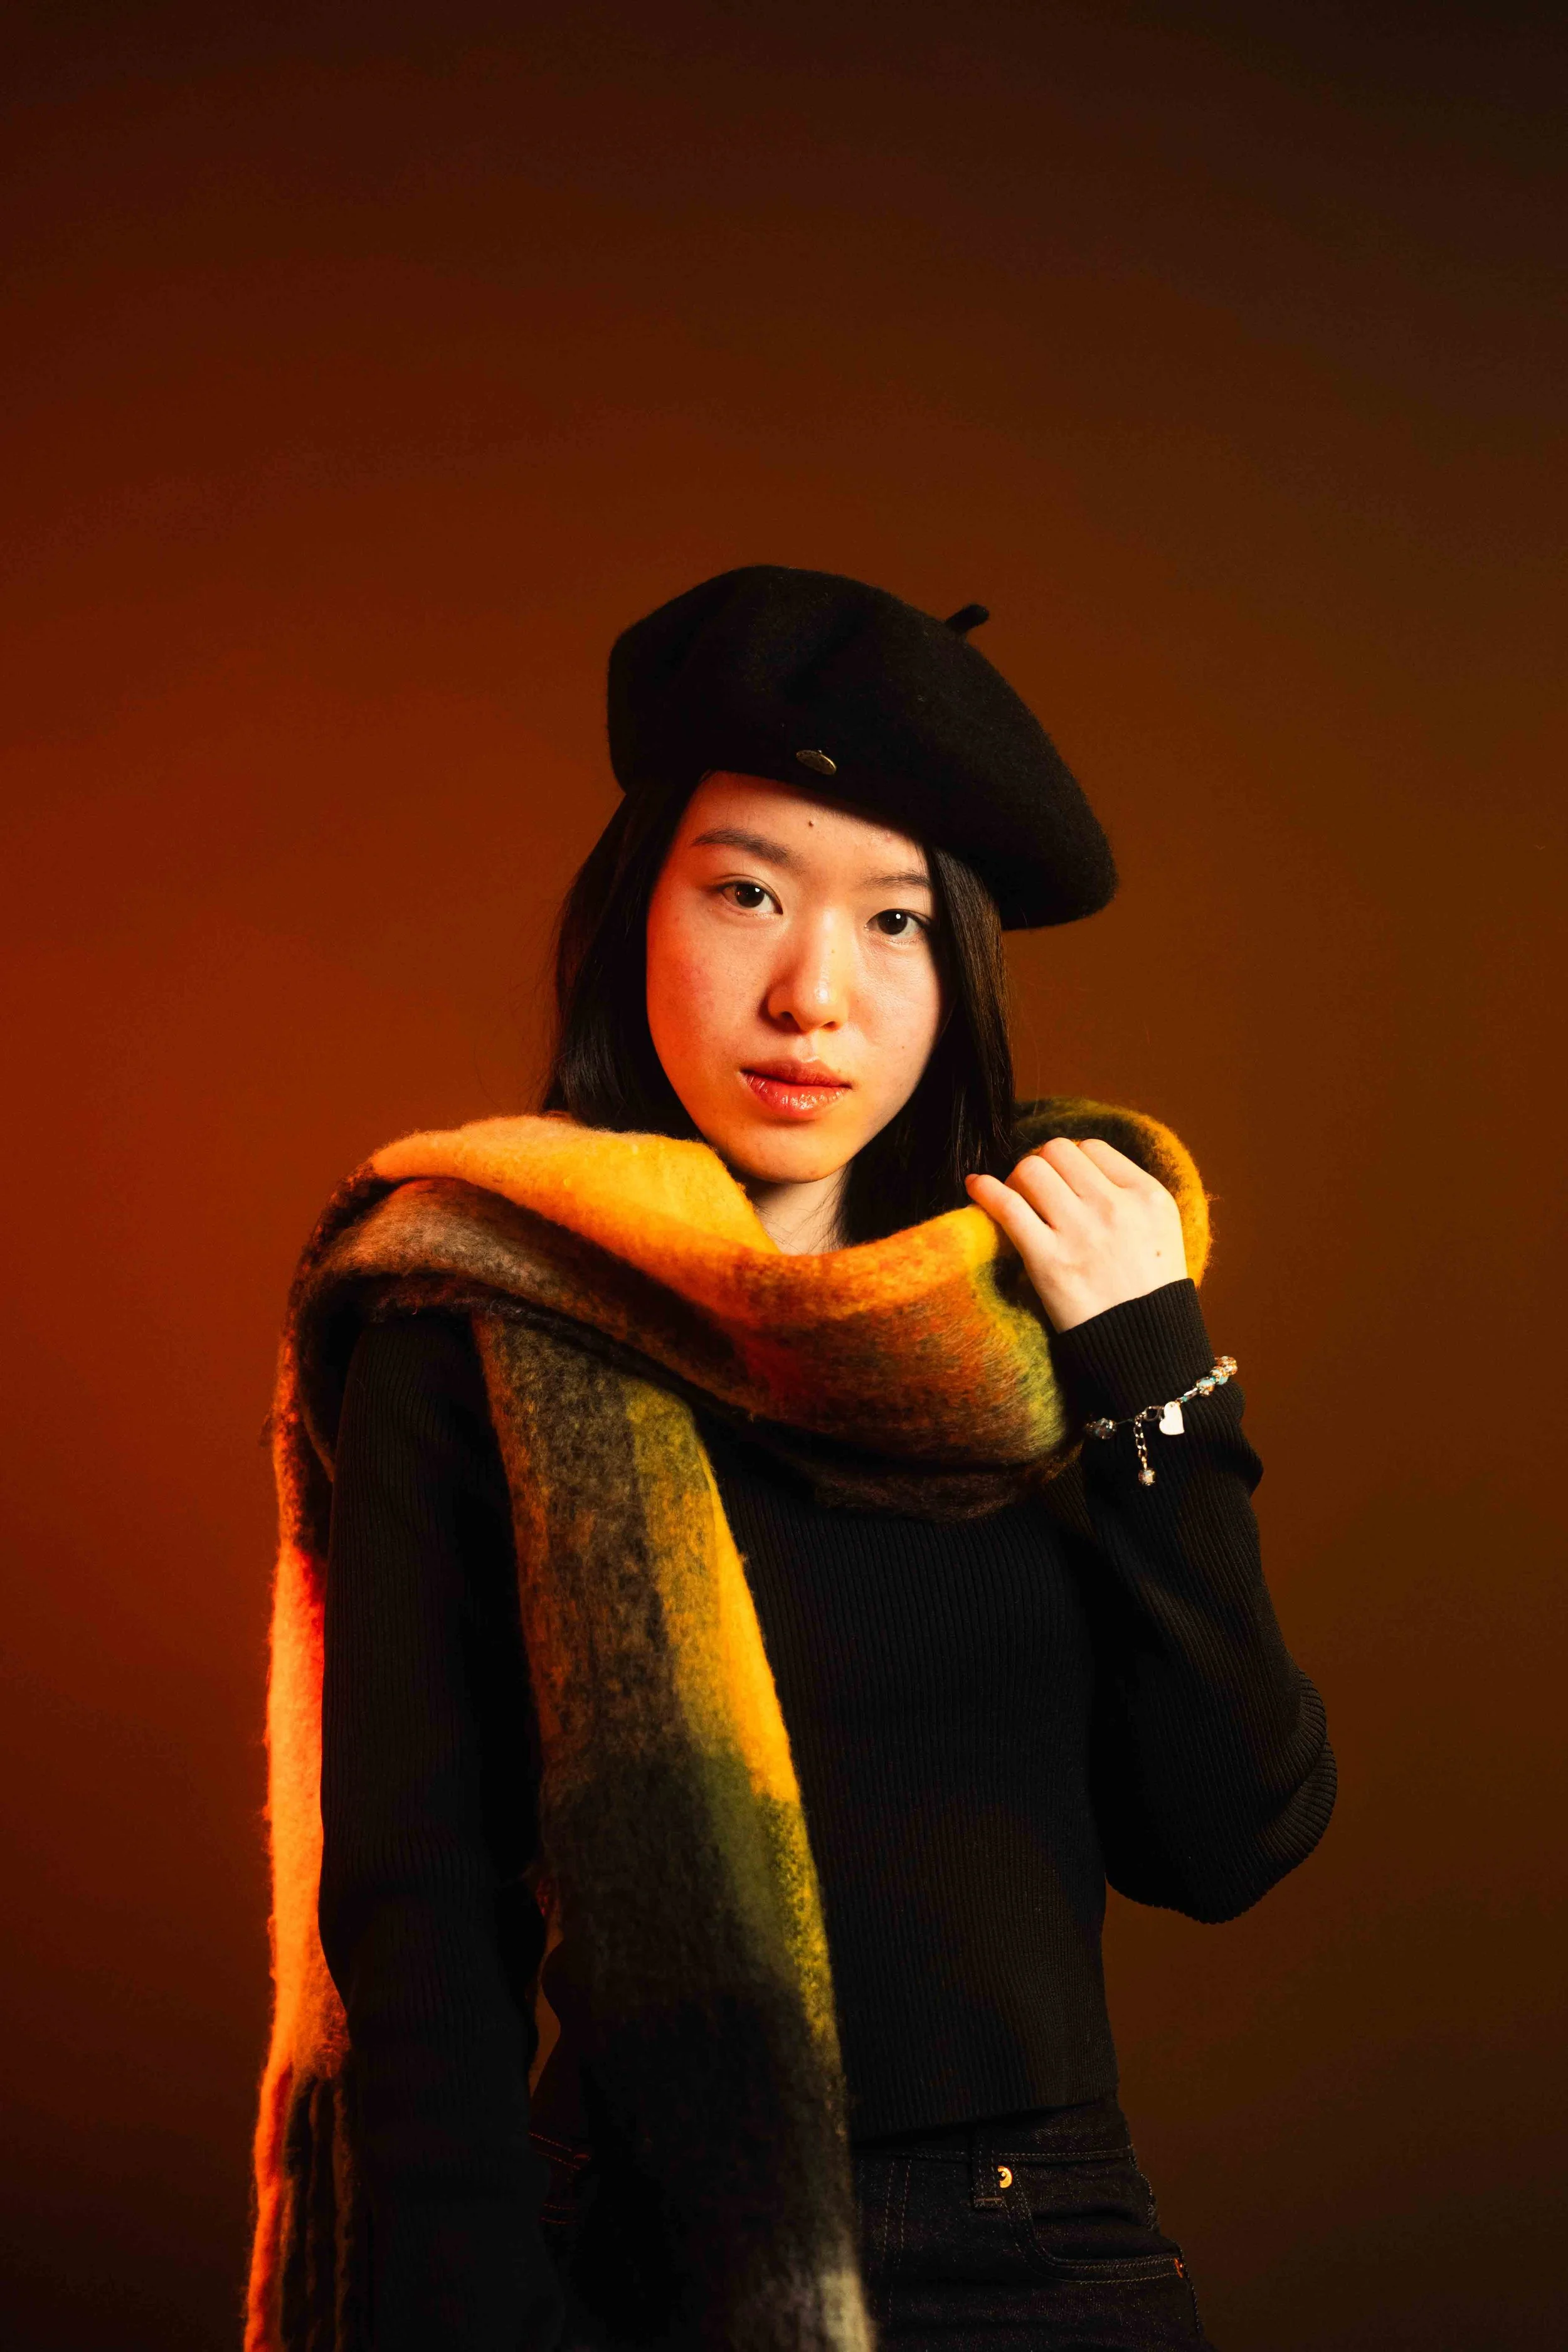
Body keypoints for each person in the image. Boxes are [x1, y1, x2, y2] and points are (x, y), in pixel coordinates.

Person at [246, 566, 1335, 2352]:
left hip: (1040, 2252)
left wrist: (1156, 1376)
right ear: (638, 915)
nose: (811, 991)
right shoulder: (470, 1311)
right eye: (746, 891)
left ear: (957, 967)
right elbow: (416, 1906)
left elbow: (1229, 1834)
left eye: (893, 921)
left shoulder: (1048, 1298)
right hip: (631, 2252)